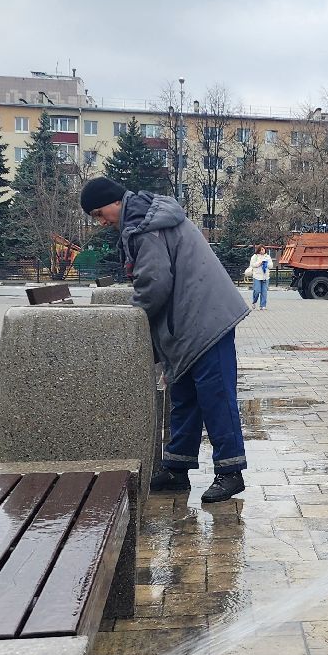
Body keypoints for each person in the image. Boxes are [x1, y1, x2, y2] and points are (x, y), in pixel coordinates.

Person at [81, 176, 251, 504]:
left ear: (115, 202)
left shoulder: (144, 225)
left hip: (205, 319)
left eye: (100, 213)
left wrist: (133, 323)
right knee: (185, 394)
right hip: (192, 320)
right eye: (95, 217)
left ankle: (231, 472)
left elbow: (154, 282)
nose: (101, 221)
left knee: (216, 395)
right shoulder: (143, 218)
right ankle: (176, 468)